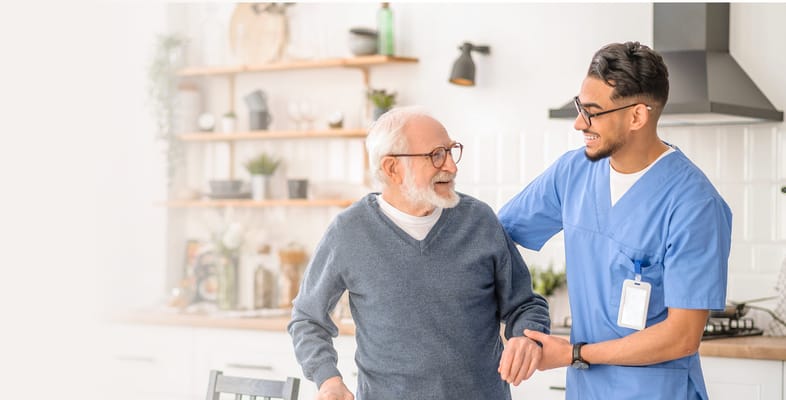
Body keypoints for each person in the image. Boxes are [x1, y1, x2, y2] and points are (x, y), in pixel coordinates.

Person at [498, 41, 732, 400]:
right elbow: (496, 235)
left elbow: (683, 336)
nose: (579, 123)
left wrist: (575, 353)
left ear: (637, 116)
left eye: (592, 111)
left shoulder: (695, 204)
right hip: (586, 391)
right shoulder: (572, 173)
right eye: (580, 107)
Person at [288, 106, 550, 400]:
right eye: (436, 155)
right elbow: (307, 318)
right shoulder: (348, 232)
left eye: (452, 151)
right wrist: (328, 380)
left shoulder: (480, 221)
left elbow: (525, 305)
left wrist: (527, 337)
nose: (452, 166)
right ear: (392, 168)